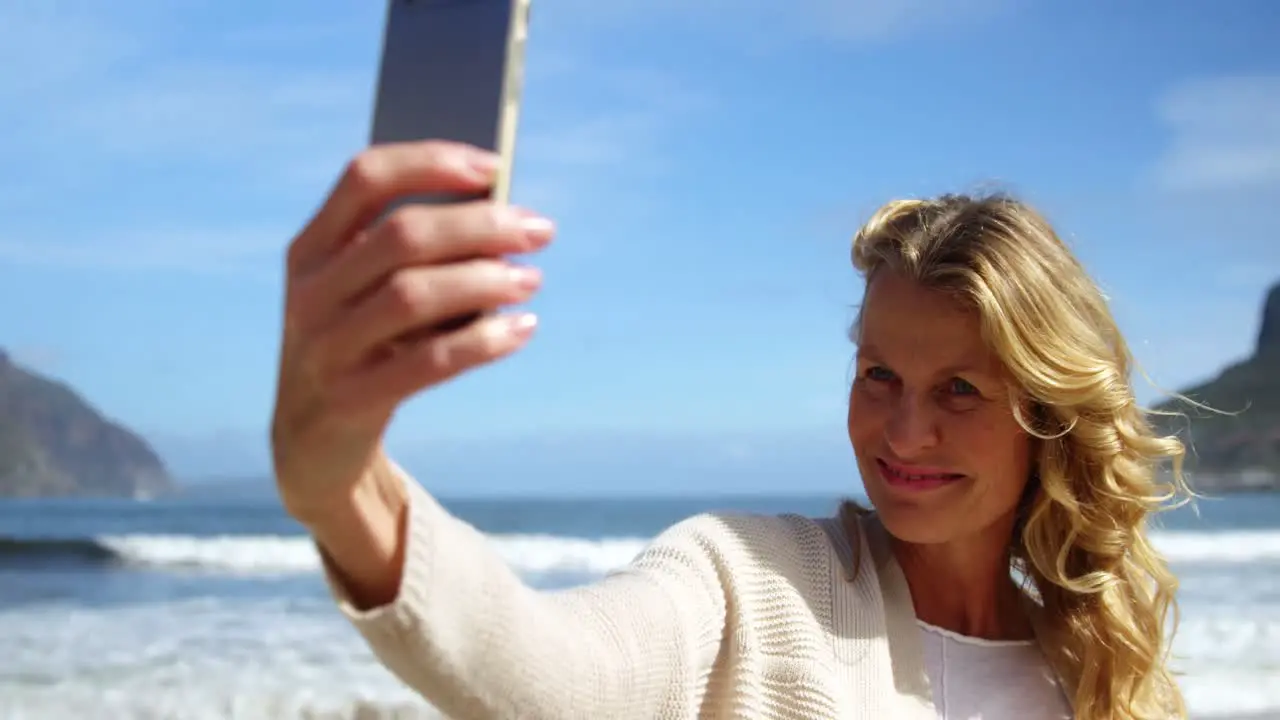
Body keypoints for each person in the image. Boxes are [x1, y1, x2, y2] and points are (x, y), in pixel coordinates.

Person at [271, 140, 1190, 720]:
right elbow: (555, 675)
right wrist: (346, 496)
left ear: (1046, 413)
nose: (905, 432)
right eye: (879, 375)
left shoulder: (1103, 677)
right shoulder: (750, 585)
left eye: (958, 389)